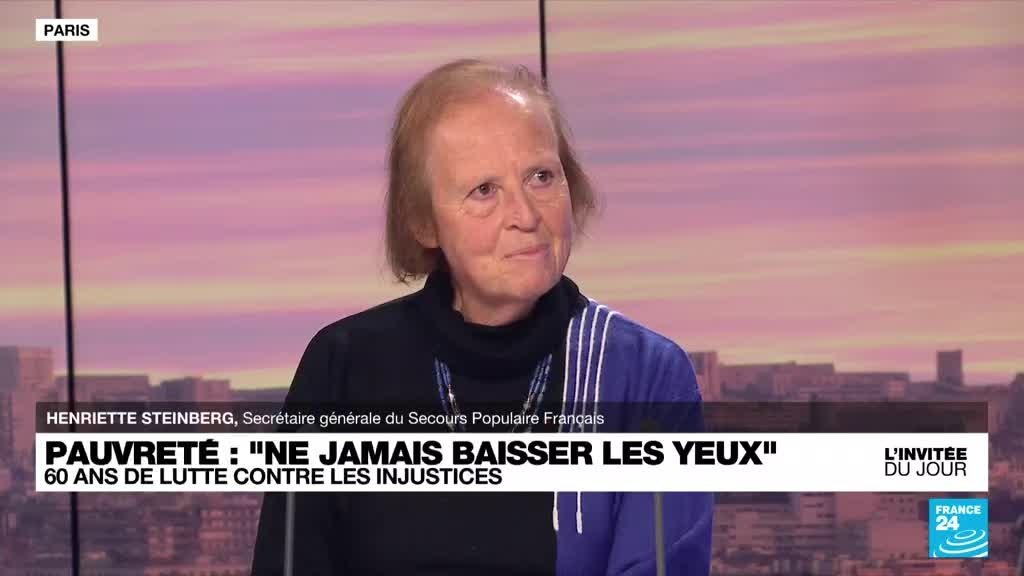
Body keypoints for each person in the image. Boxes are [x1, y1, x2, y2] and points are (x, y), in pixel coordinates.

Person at [252, 58, 713, 575]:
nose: (526, 216)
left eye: (541, 177)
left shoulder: (646, 375)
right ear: (424, 222)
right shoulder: (343, 366)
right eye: (484, 191)